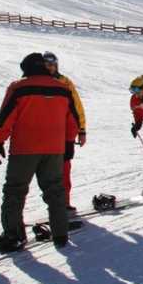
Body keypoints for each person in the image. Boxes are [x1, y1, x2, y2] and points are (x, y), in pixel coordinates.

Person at [0, 53, 79, 251]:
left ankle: (13, 235)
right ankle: (60, 232)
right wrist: (69, 142)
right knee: (55, 190)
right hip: (54, 149)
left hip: (25, 148)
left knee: (15, 190)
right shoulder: (63, 89)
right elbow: (72, 119)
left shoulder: (19, 87)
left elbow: (6, 118)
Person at [42, 52, 86, 211]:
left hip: (63, 135)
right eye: (46, 65)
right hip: (41, 135)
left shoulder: (65, 82)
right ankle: (52, 204)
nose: (50, 68)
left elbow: (77, 108)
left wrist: (81, 130)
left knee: (64, 170)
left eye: (52, 65)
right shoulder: (35, 82)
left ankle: (64, 204)